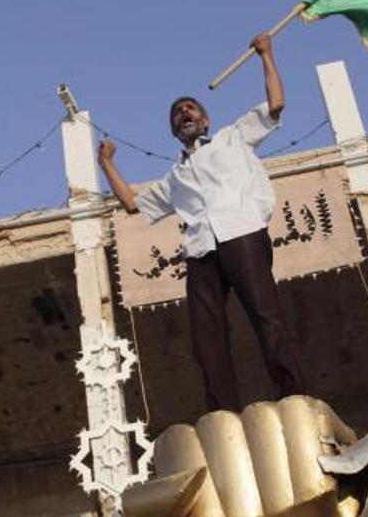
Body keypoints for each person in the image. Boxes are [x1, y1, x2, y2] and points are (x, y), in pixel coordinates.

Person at [97, 34, 305, 412]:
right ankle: (222, 411)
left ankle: (292, 392)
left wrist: (267, 55)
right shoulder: (174, 177)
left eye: (190, 108)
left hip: (241, 234)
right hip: (201, 250)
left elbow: (276, 104)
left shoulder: (233, 138)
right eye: (178, 114)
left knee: (265, 314)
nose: (184, 114)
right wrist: (107, 163)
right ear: (174, 129)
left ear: (205, 118)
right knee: (206, 336)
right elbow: (131, 204)